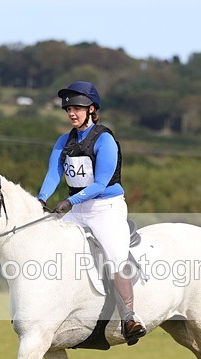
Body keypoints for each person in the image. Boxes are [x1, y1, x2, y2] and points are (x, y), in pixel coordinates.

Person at [37, 81, 147, 344]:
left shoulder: (105, 139)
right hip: (78, 206)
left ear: (92, 109)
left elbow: (99, 184)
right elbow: (54, 173)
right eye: (68, 110)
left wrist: (68, 201)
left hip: (104, 208)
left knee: (115, 255)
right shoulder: (64, 141)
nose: (72, 113)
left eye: (77, 108)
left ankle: (130, 317)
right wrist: (40, 199)